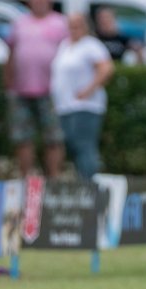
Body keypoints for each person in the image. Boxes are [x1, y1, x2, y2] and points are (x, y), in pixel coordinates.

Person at [3, 0, 68, 178]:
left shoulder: (61, 23)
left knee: (53, 137)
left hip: (52, 91)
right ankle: (26, 179)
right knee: (22, 137)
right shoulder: (19, 22)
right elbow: (10, 52)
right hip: (20, 89)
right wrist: (8, 81)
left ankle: (53, 179)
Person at [50, 13, 115, 179]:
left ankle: (90, 183)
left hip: (85, 106)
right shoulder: (65, 45)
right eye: (71, 25)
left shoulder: (91, 45)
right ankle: (82, 181)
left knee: (84, 146)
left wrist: (88, 89)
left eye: (77, 25)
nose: (73, 29)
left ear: (86, 26)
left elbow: (106, 69)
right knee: (72, 146)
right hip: (65, 107)